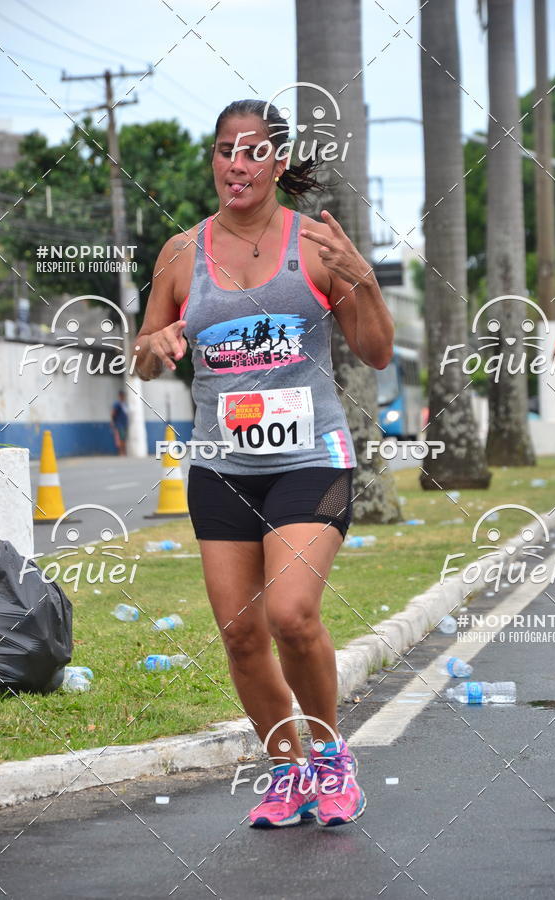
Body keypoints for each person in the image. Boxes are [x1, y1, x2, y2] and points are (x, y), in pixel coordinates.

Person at [134, 99, 394, 828]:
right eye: (224, 151)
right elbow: (147, 352)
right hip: (220, 466)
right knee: (243, 634)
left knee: (290, 613)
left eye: (253, 152)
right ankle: (287, 770)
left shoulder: (314, 246)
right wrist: (154, 350)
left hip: (311, 457)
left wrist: (363, 277)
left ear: (280, 163)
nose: (236, 165)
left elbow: (376, 351)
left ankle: (333, 755)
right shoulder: (182, 253)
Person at [110, 390, 128, 456]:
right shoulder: (117, 404)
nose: (123, 397)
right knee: (120, 438)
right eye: (122, 396)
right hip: (119, 424)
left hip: (124, 424)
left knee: (124, 438)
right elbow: (113, 413)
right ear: (120, 396)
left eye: (124, 396)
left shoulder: (125, 404)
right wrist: (112, 421)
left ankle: (124, 451)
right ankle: (121, 452)